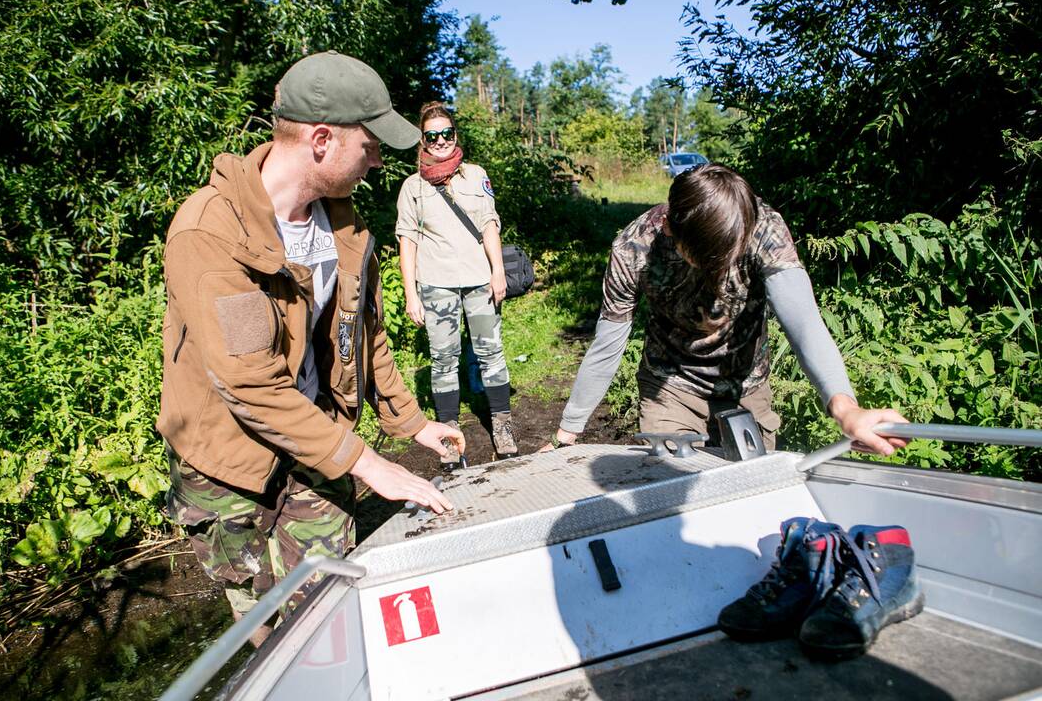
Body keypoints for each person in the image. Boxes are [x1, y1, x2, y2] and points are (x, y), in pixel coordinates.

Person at [158, 52, 462, 643]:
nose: (378, 160)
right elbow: (250, 384)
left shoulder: (344, 224)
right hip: (229, 462)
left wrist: (410, 422)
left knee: (327, 607)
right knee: (263, 621)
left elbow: (364, 332)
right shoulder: (213, 234)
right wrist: (370, 465)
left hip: (318, 440)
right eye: (370, 144)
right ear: (321, 139)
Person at [543, 163, 908, 456]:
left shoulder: (762, 228)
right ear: (670, 227)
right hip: (671, 387)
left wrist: (845, 408)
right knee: (668, 499)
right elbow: (608, 345)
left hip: (747, 386)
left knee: (750, 501)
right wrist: (569, 430)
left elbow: (804, 323)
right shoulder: (632, 250)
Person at [394, 102, 518, 460]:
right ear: (423, 141)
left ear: (455, 135)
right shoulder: (412, 187)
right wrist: (411, 294)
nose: (440, 141)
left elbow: (489, 225)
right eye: (432, 136)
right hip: (437, 285)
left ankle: (502, 423)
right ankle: (448, 433)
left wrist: (497, 271)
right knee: (443, 359)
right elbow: (408, 241)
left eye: (446, 133)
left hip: (480, 281)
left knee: (491, 354)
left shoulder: (477, 175)